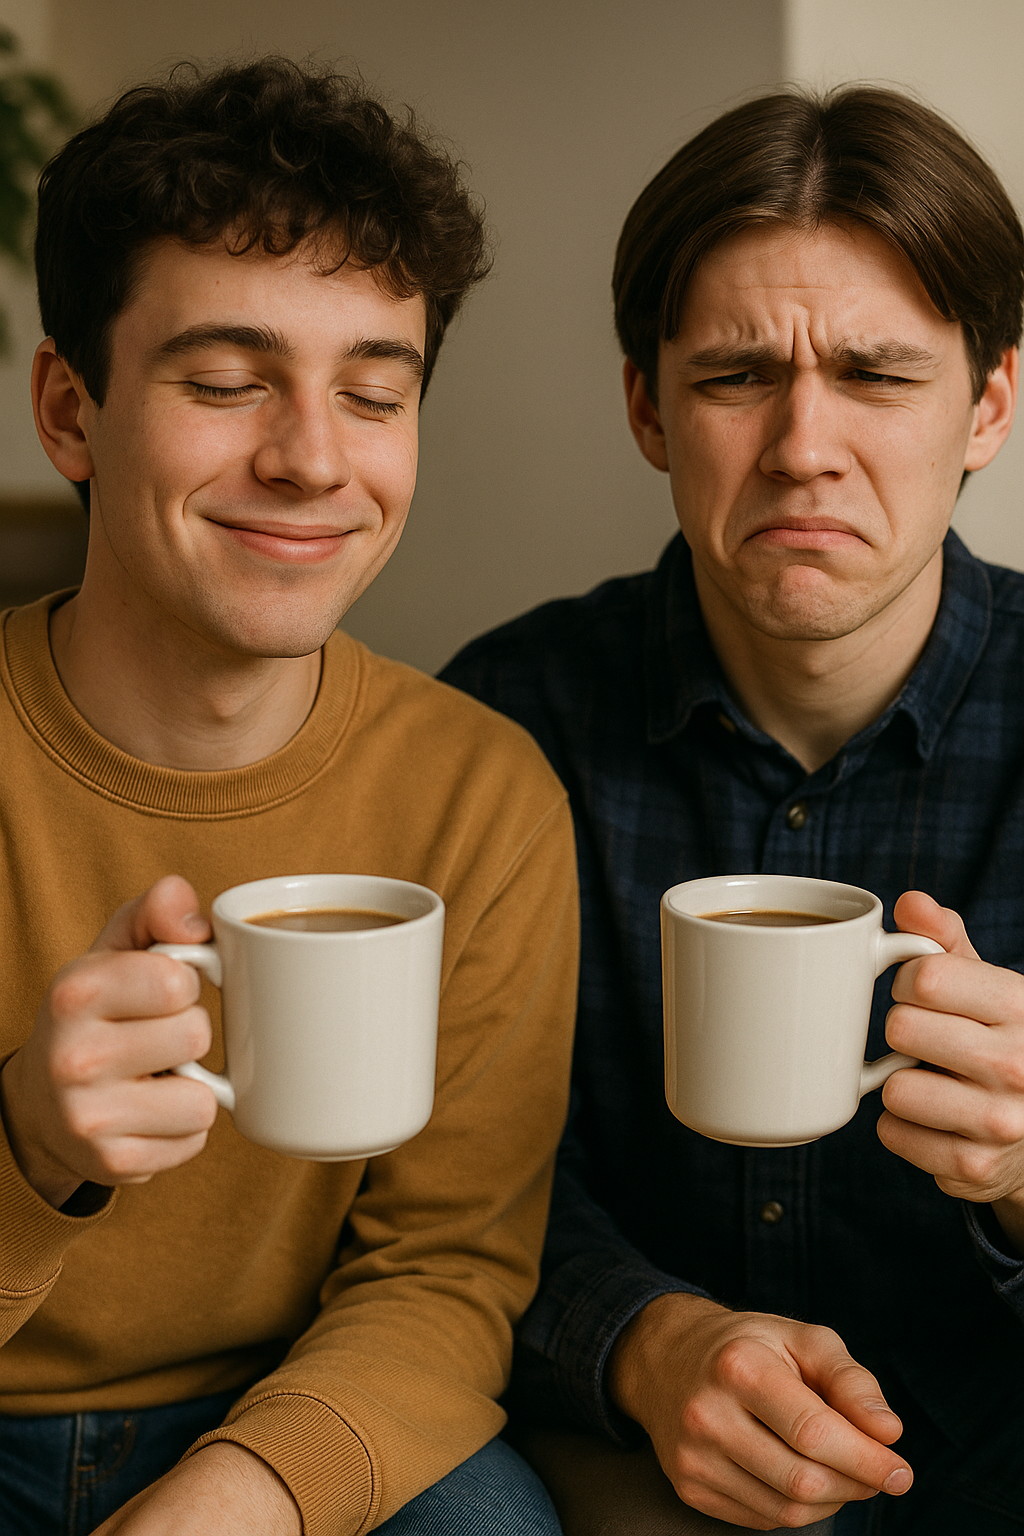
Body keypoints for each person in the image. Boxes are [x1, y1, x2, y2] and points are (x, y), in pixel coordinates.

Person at [0, 58, 577, 1536]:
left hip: (285, 1417)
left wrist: (241, 1499)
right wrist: (30, 1151)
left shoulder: (482, 793)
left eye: (373, 393)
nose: (314, 458)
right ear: (72, 410)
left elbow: (444, 1272)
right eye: (223, 382)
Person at [441, 86, 1024, 1535]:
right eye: (736, 377)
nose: (803, 446)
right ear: (648, 406)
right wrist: (643, 1340)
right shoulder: (505, 721)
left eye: (880, 377)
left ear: (991, 406)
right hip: (632, 1467)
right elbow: (451, 1186)